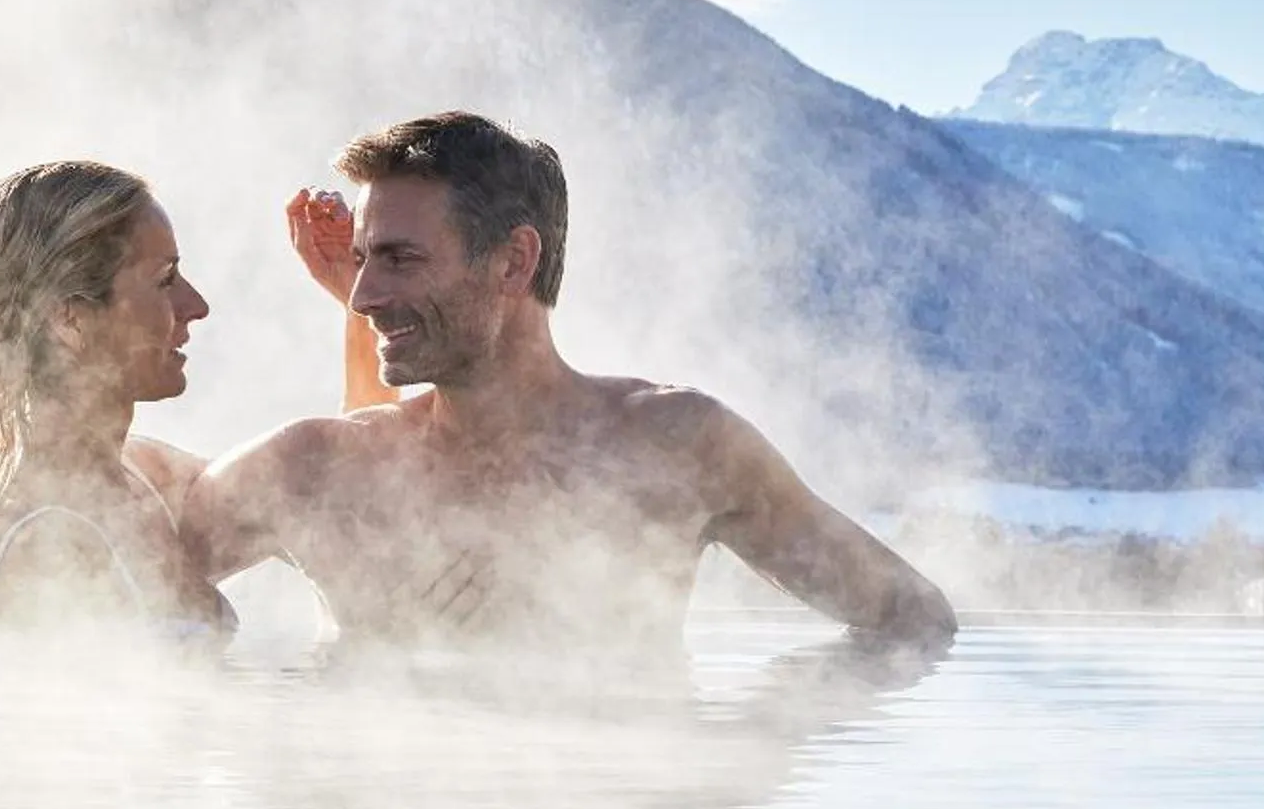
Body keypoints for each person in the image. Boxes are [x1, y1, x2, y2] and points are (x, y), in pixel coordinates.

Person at [183, 112, 960, 655]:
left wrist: (738, 763)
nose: (359, 296)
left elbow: (913, 621)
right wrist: (367, 672)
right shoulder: (317, 470)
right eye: (362, 261)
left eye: (399, 259)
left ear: (514, 261)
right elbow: (96, 603)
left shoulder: (672, 447)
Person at [0, 162, 388, 637]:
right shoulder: (50, 538)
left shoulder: (136, 476)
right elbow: (68, 710)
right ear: (69, 320)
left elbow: (335, 488)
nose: (196, 305)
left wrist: (357, 306)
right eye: (165, 280)